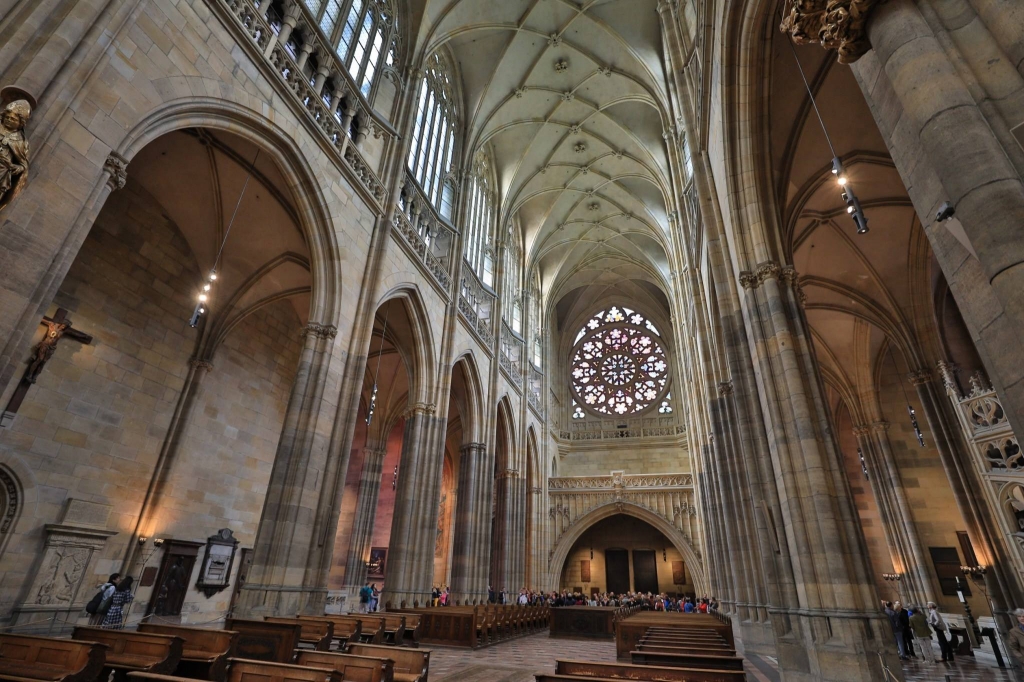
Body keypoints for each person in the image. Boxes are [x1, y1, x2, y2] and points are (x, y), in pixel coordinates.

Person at [0, 98, 31, 213]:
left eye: (13, 119)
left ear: (20, 123)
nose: (9, 120)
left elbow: (23, 165)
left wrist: (18, 168)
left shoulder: (21, 141)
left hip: (2, 170)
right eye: (7, 117)